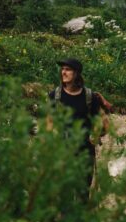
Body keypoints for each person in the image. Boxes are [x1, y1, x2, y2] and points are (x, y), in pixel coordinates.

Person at [46, 58, 111, 194]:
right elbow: (49, 123)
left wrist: (96, 133)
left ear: (76, 73)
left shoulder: (89, 96)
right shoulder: (55, 96)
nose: (63, 72)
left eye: (67, 69)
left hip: (85, 151)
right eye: (62, 69)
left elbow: (103, 122)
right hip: (62, 150)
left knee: (82, 191)